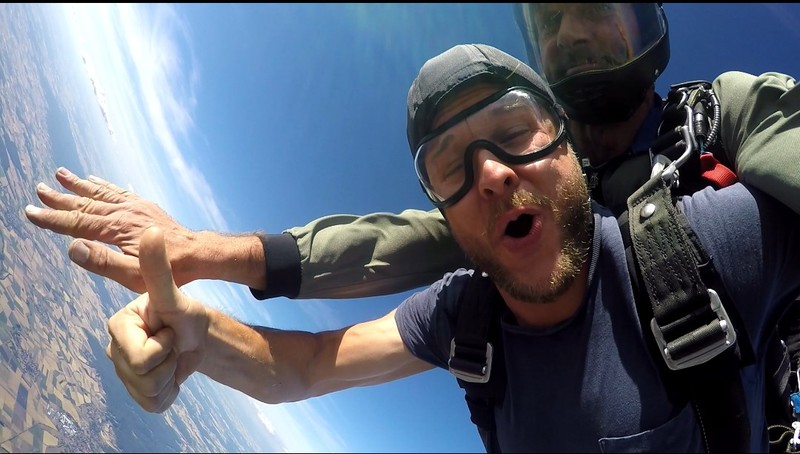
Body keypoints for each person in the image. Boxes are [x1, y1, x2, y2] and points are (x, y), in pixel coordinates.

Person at [103, 44, 800, 452]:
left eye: (515, 131)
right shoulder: (463, 316)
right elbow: (307, 366)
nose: (491, 174)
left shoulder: (708, 248)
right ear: (445, 214)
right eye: (450, 167)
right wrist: (200, 339)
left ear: (568, 145)